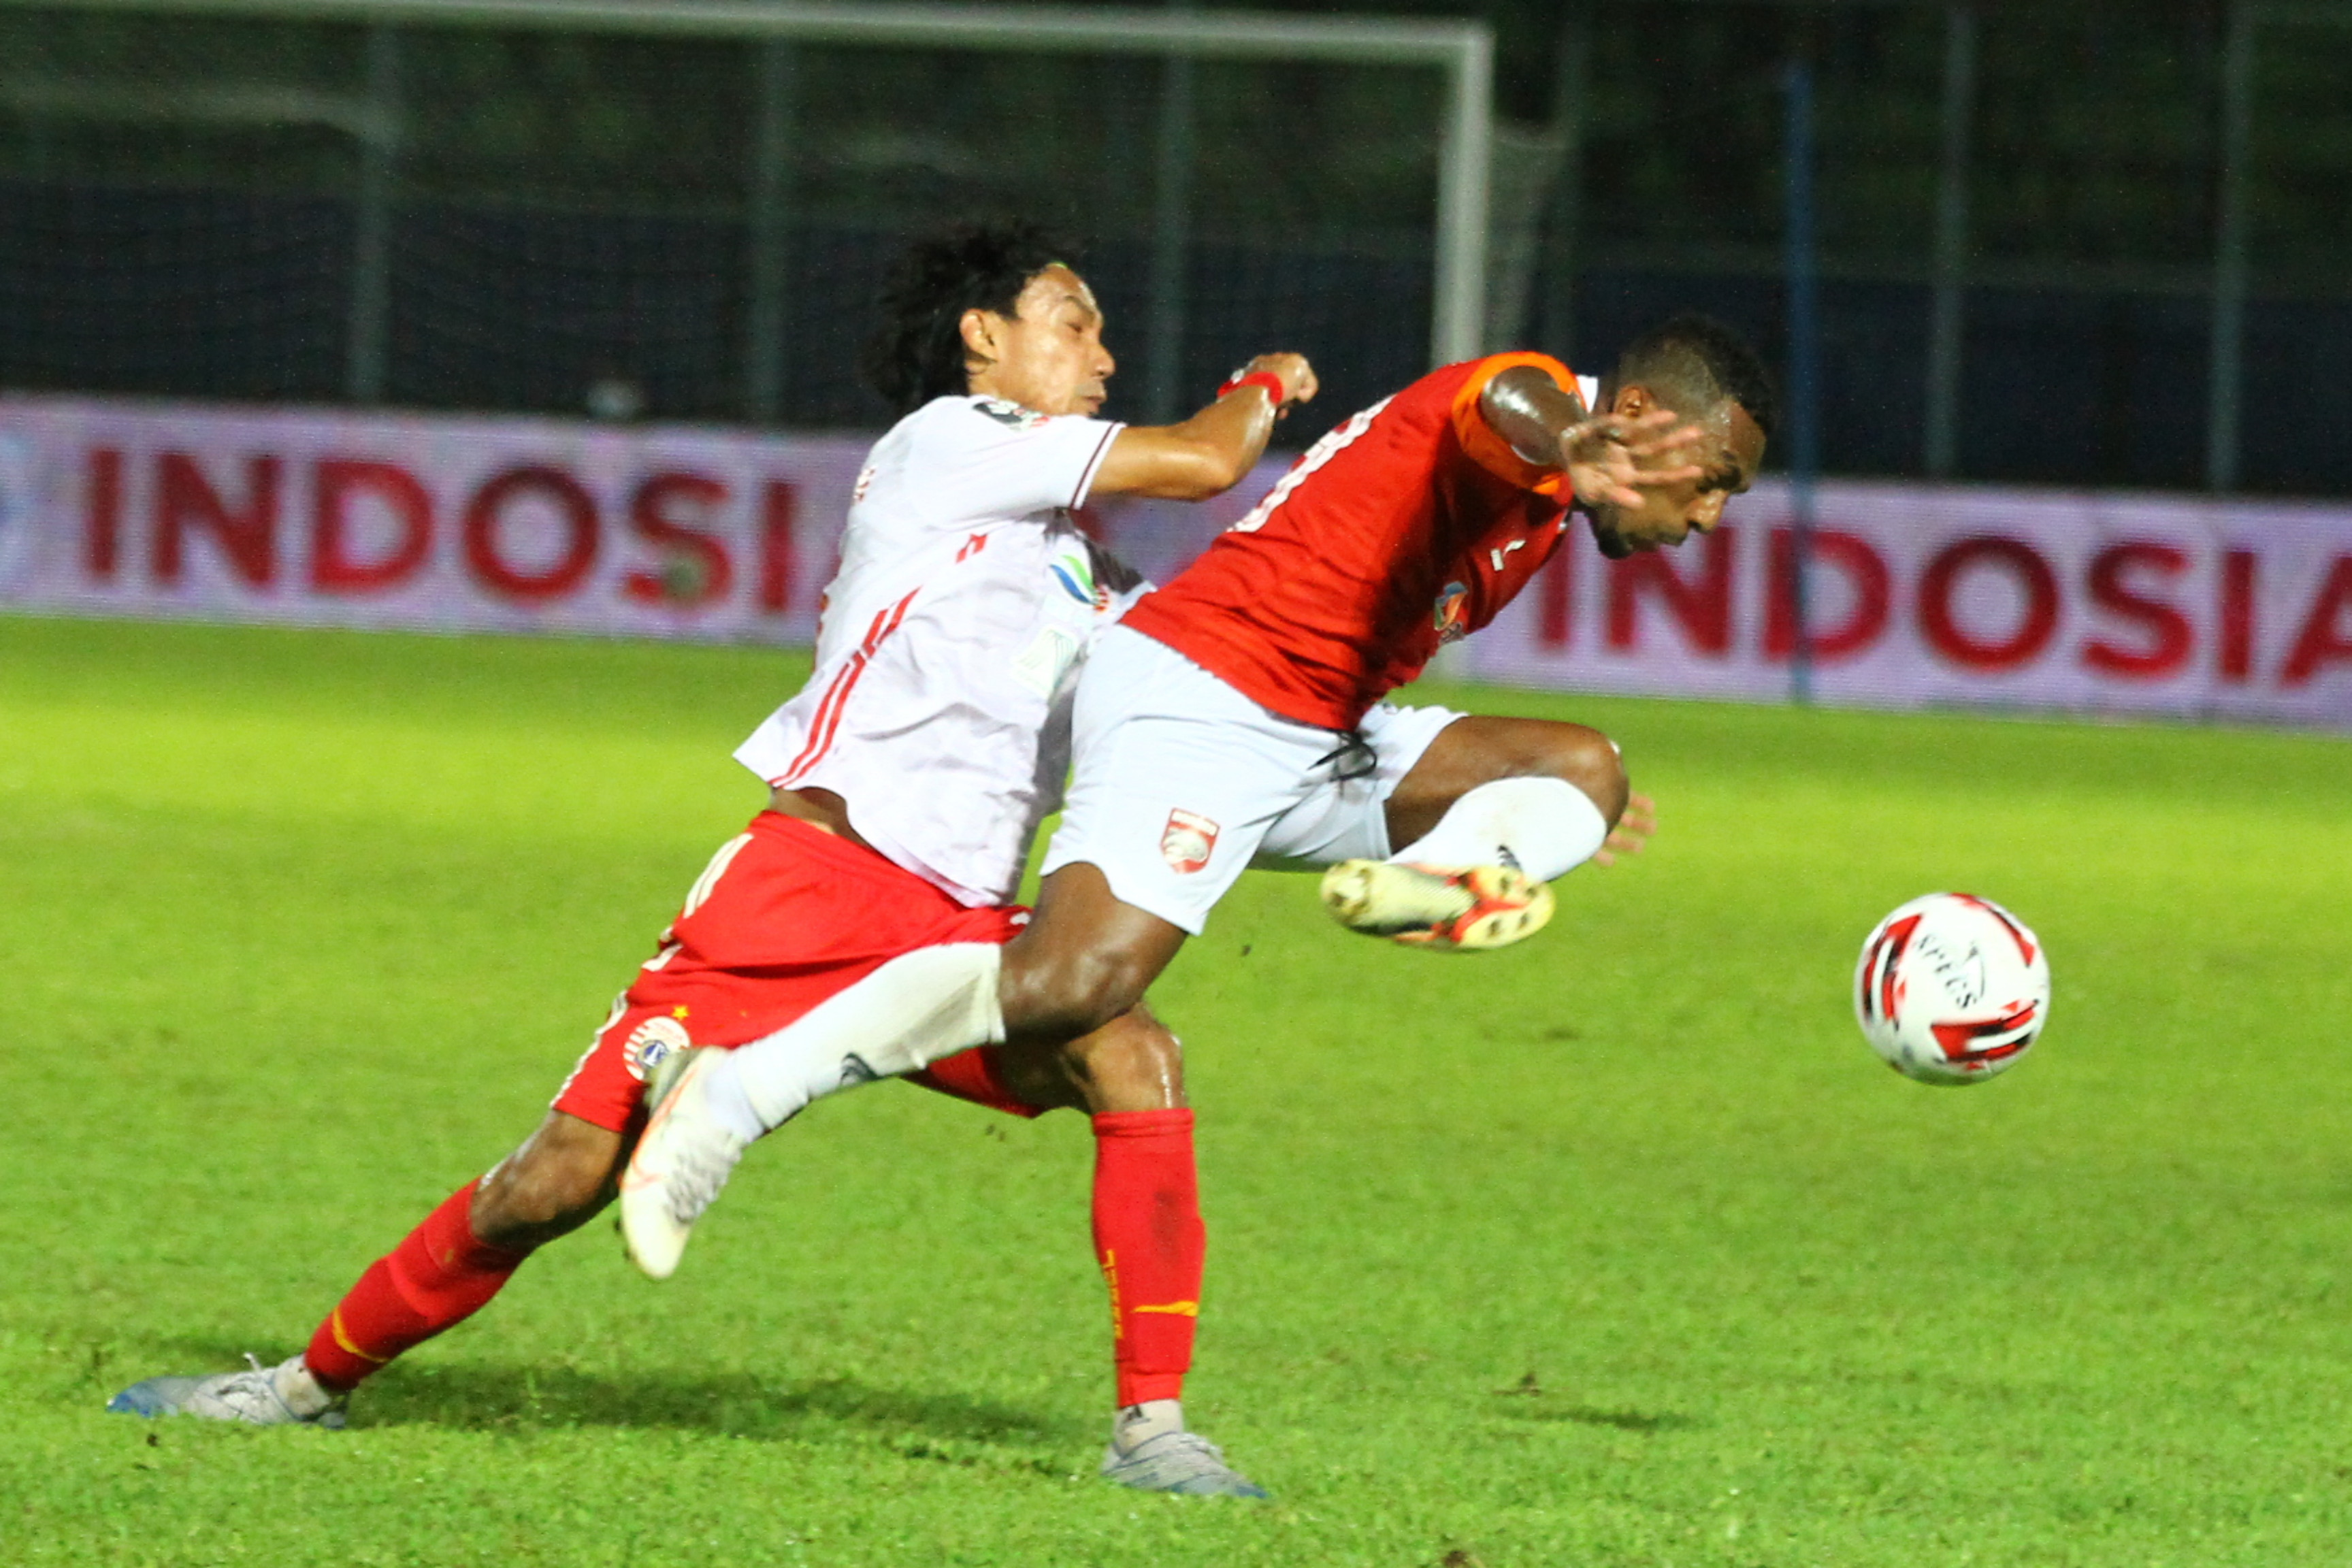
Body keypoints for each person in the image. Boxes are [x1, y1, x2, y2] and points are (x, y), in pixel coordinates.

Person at [105, 220, 1320, 1498]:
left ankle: (1155, 1433)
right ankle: (299, 1389)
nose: (1103, 354)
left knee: (1131, 1053)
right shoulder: (954, 444)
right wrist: (1266, 387)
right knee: (555, 1184)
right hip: (806, 891)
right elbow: (1200, 459)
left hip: (955, 927)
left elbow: (1204, 710)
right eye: (1074, 323)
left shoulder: (1093, 577)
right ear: (985, 340)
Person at [621, 314, 1776, 1475]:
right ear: (1631, 419)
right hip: (1208, 689)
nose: (1712, 517)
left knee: (1584, 774)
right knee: (1074, 985)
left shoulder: (1554, 497)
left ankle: (1443, 879)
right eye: (1712, 480)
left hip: (1322, 732)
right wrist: (1567, 446)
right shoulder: (1527, 404)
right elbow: (1506, 415)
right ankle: (733, 1094)